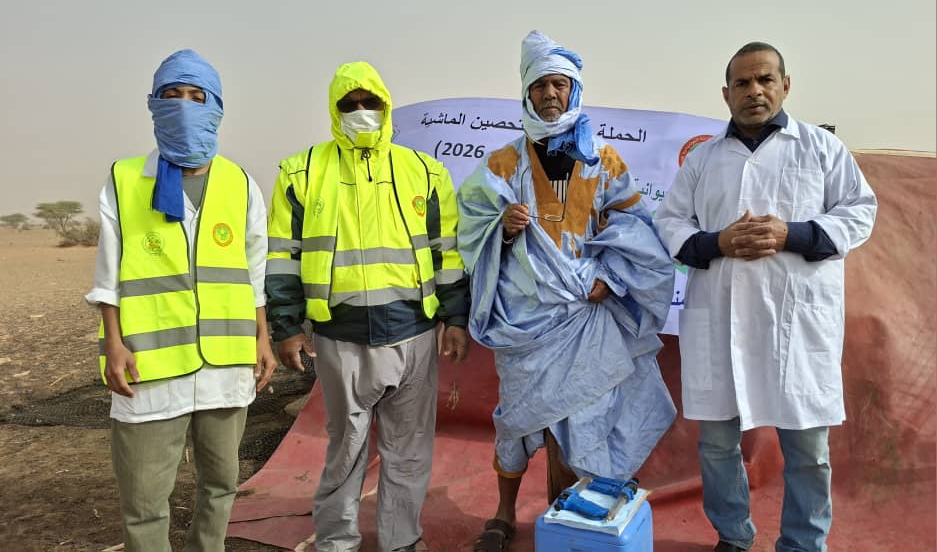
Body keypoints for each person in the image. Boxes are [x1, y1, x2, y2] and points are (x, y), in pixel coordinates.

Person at [457, 31, 677, 552]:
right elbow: (469, 230)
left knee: (585, 417)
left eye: (560, 84)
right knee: (516, 420)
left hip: (587, 313)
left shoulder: (605, 161)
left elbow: (636, 230)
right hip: (524, 321)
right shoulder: (501, 163)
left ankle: (573, 516)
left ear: (574, 90)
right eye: (540, 85)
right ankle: (504, 514)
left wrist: (612, 278)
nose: (550, 94)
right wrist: (501, 228)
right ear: (526, 93)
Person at [654, 42, 877, 552]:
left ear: (785, 85)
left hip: (794, 323)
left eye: (765, 80)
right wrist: (717, 243)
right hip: (720, 318)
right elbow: (669, 220)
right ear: (726, 94)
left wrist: (791, 234)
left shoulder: (821, 148)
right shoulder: (703, 159)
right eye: (743, 83)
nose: (754, 91)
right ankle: (733, 537)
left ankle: (803, 543)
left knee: (808, 450)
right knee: (717, 445)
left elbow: (860, 211)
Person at [266, 61, 471, 552]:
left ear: (386, 106)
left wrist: (456, 318)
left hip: (412, 333)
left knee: (408, 450)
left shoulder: (424, 171)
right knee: (346, 448)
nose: (361, 111)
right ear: (334, 111)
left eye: (370, 102)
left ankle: (402, 541)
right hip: (340, 336)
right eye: (350, 104)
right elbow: (282, 256)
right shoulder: (301, 171)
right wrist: (286, 326)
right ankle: (337, 541)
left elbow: (447, 251)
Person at [86, 49, 276, 552]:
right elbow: (108, 275)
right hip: (150, 364)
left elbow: (254, 270)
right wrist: (113, 345)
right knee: (145, 501)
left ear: (216, 108)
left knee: (221, 485)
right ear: (154, 104)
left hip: (226, 361)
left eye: (197, 96)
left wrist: (263, 337)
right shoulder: (125, 179)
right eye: (173, 96)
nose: (185, 106)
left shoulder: (241, 183)